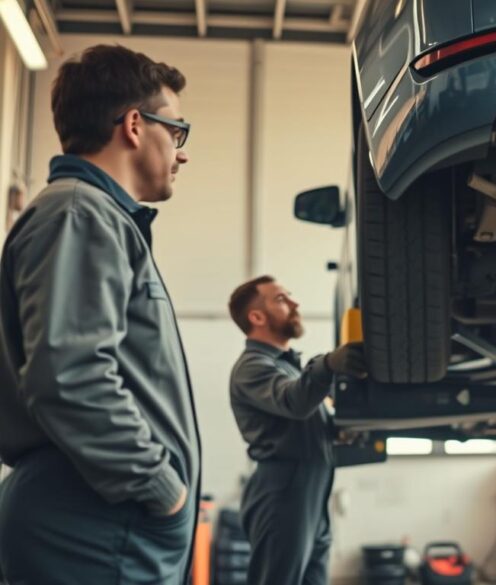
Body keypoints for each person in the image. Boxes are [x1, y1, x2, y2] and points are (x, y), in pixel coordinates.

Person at [0, 45, 200, 584]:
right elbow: (70, 378)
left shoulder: (94, 216)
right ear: (135, 125)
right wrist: (166, 492)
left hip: (103, 524)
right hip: (93, 528)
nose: (182, 152)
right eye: (177, 131)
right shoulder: (79, 213)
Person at [227, 275, 366, 585]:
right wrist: (327, 365)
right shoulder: (253, 366)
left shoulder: (287, 367)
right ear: (257, 317)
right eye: (280, 299)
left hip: (312, 490)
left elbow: (307, 418)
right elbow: (294, 402)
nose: (294, 303)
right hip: (283, 491)